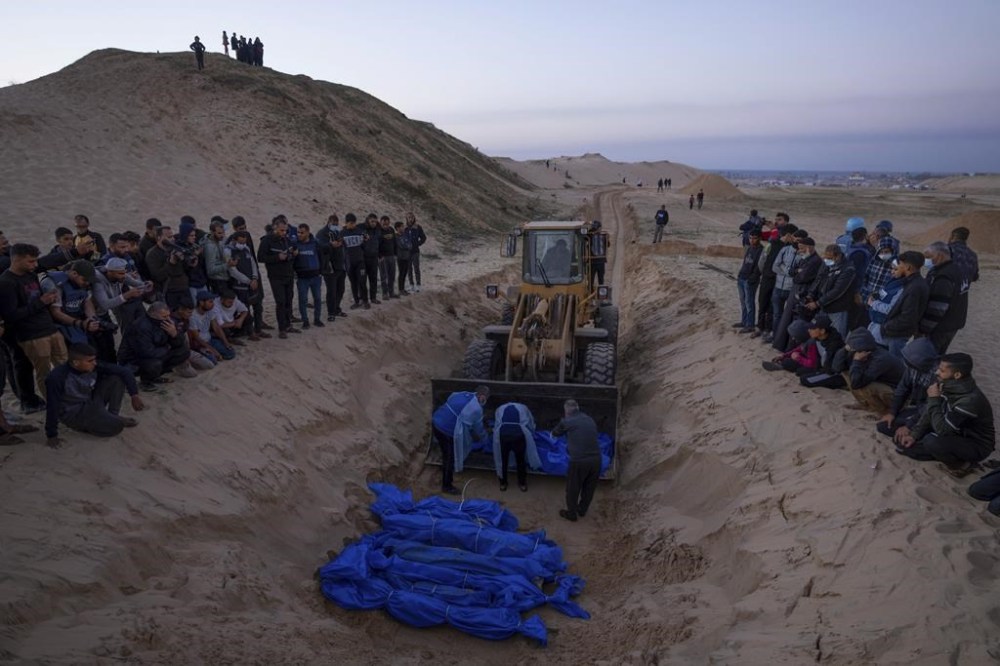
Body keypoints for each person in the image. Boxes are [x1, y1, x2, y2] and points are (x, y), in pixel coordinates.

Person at [896, 353, 995, 476]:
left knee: (931, 441)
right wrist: (914, 435)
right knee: (903, 442)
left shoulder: (969, 400)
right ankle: (938, 452)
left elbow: (943, 430)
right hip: (954, 431)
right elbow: (928, 412)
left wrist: (934, 399)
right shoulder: (947, 384)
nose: (937, 372)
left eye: (942, 370)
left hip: (976, 444)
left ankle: (962, 465)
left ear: (957, 375)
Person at [0, 244, 67, 399]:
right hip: (32, 336)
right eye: (31, 261)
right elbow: (11, 315)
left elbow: (46, 264)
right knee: (44, 373)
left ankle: (67, 398)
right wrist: (42, 302)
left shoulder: (30, 274)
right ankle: (53, 403)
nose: (35, 265)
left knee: (64, 366)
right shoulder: (6, 282)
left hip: (50, 329)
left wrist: (48, 300)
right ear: (16, 260)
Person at [45, 343, 143, 448]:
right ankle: (101, 422)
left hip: (91, 400)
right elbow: (52, 406)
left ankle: (112, 415)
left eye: (94, 359)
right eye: (90, 361)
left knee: (116, 378)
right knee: (116, 427)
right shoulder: (57, 377)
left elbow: (124, 371)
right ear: (76, 362)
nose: (94, 363)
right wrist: (52, 435)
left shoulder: (94, 366)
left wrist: (134, 395)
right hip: (74, 412)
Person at [117, 301, 193, 389]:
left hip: (158, 351)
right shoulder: (141, 327)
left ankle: (154, 376)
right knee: (155, 364)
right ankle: (146, 381)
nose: (168, 319)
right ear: (153, 316)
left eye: (168, 315)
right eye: (164, 316)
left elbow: (178, 344)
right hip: (133, 360)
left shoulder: (166, 322)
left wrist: (174, 334)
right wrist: (167, 348)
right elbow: (146, 352)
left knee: (184, 351)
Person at [431, 385, 490, 495]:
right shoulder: (476, 408)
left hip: (436, 421)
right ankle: (447, 486)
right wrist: (486, 439)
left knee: (444, 449)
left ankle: (442, 465)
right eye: (485, 398)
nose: (484, 401)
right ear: (482, 397)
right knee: (450, 457)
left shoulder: (462, 393)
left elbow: (452, 401)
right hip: (445, 430)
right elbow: (478, 428)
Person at [876, 337, 939, 439]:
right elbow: (902, 390)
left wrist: (909, 426)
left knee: (905, 433)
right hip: (917, 408)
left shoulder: (938, 375)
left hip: (931, 413)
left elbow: (929, 406)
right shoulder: (912, 369)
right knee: (884, 426)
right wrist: (892, 412)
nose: (907, 363)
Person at [833, 327, 904, 412]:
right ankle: (864, 404)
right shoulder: (860, 352)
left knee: (866, 385)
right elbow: (837, 368)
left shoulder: (880, 359)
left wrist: (856, 362)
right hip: (885, 386)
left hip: (899, 395)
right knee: (846, 372)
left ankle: (881, 410)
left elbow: (857, 383)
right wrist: (845, 349)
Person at [552, 399, 601, 522]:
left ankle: (571, 514)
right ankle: (582, 510)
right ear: (578, 409)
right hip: (596, 460)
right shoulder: (589, 419)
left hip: (579, 461)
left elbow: (556, 433)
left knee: (573, 488)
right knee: (589, 488)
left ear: (566, 411)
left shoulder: (567, 421)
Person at [877, 251, 929, 357]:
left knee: (895, 362)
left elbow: (908, 317)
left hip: (898, 334)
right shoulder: (912, 282)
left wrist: (887, 326)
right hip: (897, 331)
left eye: (900, 264)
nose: (898, 266)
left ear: (908, 267)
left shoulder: (914, 287)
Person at [918, 242, 966, 354]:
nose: (926, 261)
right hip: (953, 324)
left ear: (939, 255)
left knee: (927, 358)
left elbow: (938, 307)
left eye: (928, 257)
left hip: (939, 327)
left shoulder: (943, 276)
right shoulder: (957, 270)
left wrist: (923, 329)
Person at [257, 217, 299, 338]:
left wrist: (293, 253)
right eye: (281, 230)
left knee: (288, 300)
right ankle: (282, 329)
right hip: (275, 276)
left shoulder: (286, 240)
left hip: (288, 274)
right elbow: (260, 257)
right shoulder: (266, 241)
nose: (284, 233)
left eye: (285, 230)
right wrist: (277, 258)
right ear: (275, 228)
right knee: (280, 301)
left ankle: (288, 325)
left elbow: (292, 251)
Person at [803, 244, 856, 338]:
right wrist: (811, 294)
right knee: (820, 334)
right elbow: (819, 279)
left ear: (838, 256)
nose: (827, 260)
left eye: (830, 258)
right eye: (826, 257)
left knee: (836, 335)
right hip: (824, 306)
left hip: (837, 309)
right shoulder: (826, 263)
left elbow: (838, 291)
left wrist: (818, 303)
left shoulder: (848, 269)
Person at [492, 402, 542, 492]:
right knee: (520, 460)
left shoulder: (500, 408)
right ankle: (522, 483)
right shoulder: (524, 408)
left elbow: (496, 424)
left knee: (502, 460)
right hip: (518, 436)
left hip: (503, 436)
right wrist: (532, 432)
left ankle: (503, 483)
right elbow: (530, 422)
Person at [227, 230, 267, 340]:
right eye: (241, 242)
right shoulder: (228, 251)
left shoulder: (246, 249)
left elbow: (253, 264)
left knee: (258, 306)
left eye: (244, 242)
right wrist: (248, 281)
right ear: (234, 240)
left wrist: (254, 278)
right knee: (245, 309)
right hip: (240, 286)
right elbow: (233, 271)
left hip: (252, 284)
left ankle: (258, 329)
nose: (243, 244)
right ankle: (250, 332)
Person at [765, 222, 799, 344]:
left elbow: (800, 273)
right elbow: (775, 267)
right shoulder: (785, 249)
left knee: (788, 316)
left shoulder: (802, 255)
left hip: (791, 289)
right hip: (778, 286)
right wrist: (789, 271)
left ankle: (783, 339)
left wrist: (785, 269)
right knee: (776, 314)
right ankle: (774, 335)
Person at [146, 226, 191, 308]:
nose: (173, 239)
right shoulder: (152, 254)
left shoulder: (174, 248)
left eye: (172, 236)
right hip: (169, 292)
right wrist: (170, 263)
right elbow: (158, 276)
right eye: (169, 237)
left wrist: (188, 262)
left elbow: (184, 270)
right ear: (159, 237)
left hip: (184, 288)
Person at [798, 314, 846, 388]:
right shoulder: (823, 339)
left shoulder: (834, 344)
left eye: (812, 328)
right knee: (800, 371)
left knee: (805, 379)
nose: (809, 330)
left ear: (822, 331)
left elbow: (830, 369)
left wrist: (819, 372)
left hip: (837, 375)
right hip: (826, 369)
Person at [317, 214, 349, 320]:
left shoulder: (338, 232)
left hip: (341, 265)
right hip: (329, 266)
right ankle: (331, 312)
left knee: (341, 289)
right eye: (334, 223)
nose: (335, 225)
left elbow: (344, 245)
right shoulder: (322, 233)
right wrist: (331, 245)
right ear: (329, 222)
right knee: (331, 291)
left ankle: (336, 308)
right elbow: (320, 247)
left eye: (337, 223)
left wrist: (341, 243)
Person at [293, 223, 324, 328]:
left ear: (308, 232)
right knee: (303, 299)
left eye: (302, 232)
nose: (299, 234)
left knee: (318, 299)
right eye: (298, 232)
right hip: (302, 277)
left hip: (315, 276)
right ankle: (305, 321)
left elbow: (321, 256)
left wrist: (321, 271)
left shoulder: (316, 243)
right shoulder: (295, 244)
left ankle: (317, 319)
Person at [190, 291, 235, 360]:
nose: (213, 304)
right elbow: (196, 337)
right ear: (201, 302)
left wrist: (226, 343)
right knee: (213, 360)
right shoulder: (192, 316)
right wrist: (212, 350)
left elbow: (217, 328)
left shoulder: (210, 311)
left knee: (230, 353)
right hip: (199, 344)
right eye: (210, 302)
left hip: (209, 340)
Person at [735, 230, 763, 333]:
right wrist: (739, 274)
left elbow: (759, 267)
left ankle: (750, 325)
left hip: (750, 280)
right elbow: (745, 262)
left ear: (759, 238)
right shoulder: (749, 248)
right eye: (750, 238)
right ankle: (744, 321)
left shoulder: (761, 250)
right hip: (742, 277)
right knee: (743, 301)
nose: (752, 240)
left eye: (754, 238)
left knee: (749, 302)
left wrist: (752, 279)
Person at [341, 213, 368, 309]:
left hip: (360, 261)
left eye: (354, 223)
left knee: (362, 281)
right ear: (346, 223)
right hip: (349, 262)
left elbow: (365, 245)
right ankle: (356, 301)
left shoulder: (360, 232)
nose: (352, 225)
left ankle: (365, 301)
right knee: (353, 283)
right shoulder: (342, 233)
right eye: (351, 223)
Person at [203, 218, 233, 295]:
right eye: (219, 233)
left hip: (224, 278)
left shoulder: (219, 241)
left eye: (223, 233)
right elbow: (210, 270)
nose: (222, 235)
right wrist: (227, 265)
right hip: (217, 281)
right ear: (212, 232)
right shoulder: (210, 247)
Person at [403, 212, 427, 292]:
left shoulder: (418, 227)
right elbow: (401, 238)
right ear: (406, 218)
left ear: (414, 218)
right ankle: (411, 285)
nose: (410, 219)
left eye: (412, 217)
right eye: (409, 217)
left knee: (416, 268)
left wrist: (418, 244)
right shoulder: (404, 228)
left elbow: (423, 237)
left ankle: (418, 285)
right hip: (407, 252)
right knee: (409, 269)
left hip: (415, 251)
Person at [362, 214, 382, 304]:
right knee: (362, 280)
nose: (373, 223)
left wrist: (380, 255)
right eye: (371, 221)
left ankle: (373, 298)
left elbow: (380, 243)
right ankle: (364, 299)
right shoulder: (362, 229)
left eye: (375, 221)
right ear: (368, 221)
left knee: (373, 279)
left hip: (374, 258)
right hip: (363, 259)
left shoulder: (378, 230)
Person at [377, 215, 398, 299]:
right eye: (384, 224)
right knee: (383, 276)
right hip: (383, 257)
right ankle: (385, 294)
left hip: (392, 256)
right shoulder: (378, 232)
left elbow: (395, 242)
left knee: (392, 275)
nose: (386, 225)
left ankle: (391, 292)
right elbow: (376, 245)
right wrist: (379, 256)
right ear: (381, 223)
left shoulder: (391, 230)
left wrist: (396, 254)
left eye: (387, 223)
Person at [587, 220, 609, 288]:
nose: (596, 229)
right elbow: (586, 235)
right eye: (595, 227)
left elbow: (608, 244)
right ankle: (590, 291)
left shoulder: (603, 236)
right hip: (592, 261)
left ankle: (601, 292)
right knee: (591, 279)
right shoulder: (590, 236)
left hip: (600, 261)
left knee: (601, 279)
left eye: (596, 227)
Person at [393, 221, 412, 296]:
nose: (403, 228)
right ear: (397, 228)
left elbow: (410, 244)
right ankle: (400, 289)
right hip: (400, 257)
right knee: (401, 273)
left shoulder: (405, 235)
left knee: (405, 273)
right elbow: (402, 245)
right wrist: (407, 246)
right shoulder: (396, 236)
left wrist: (407, 246)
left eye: (403, 226)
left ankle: (403, 289)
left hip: (407, 257)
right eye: (402, 227)